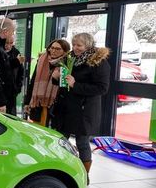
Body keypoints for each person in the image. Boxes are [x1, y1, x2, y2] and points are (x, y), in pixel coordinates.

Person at [51, 33, 110, 178]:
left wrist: (76, 85)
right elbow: (65, 82)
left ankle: (84, 176)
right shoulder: (70, 58)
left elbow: (102, 88)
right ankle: (61, 172)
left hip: (84, 110)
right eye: (74, 44)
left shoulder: (98, 62)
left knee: (82, 142)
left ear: (88, 46)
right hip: (66, 108)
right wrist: (56, 78)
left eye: (79, 45)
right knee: (61, 140)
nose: (75, 48)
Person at [23, 39, 70, 126]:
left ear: (65, 51)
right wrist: (26, 102)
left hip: (56, 106)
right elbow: (33, 82)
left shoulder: (67, 64)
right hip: (38, 104)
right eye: (52, 48)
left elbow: (65, 87)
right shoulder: (42, 60)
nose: (53, 51)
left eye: (57, 49)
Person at [4, 37, 25, 116]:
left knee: (11, 115)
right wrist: (15, 62)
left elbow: (21, 72)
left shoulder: (16, 52)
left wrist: (18, 87)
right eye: (6, 43)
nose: (8, 46)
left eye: (11, 43)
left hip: (12, 90)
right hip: (0, 90)